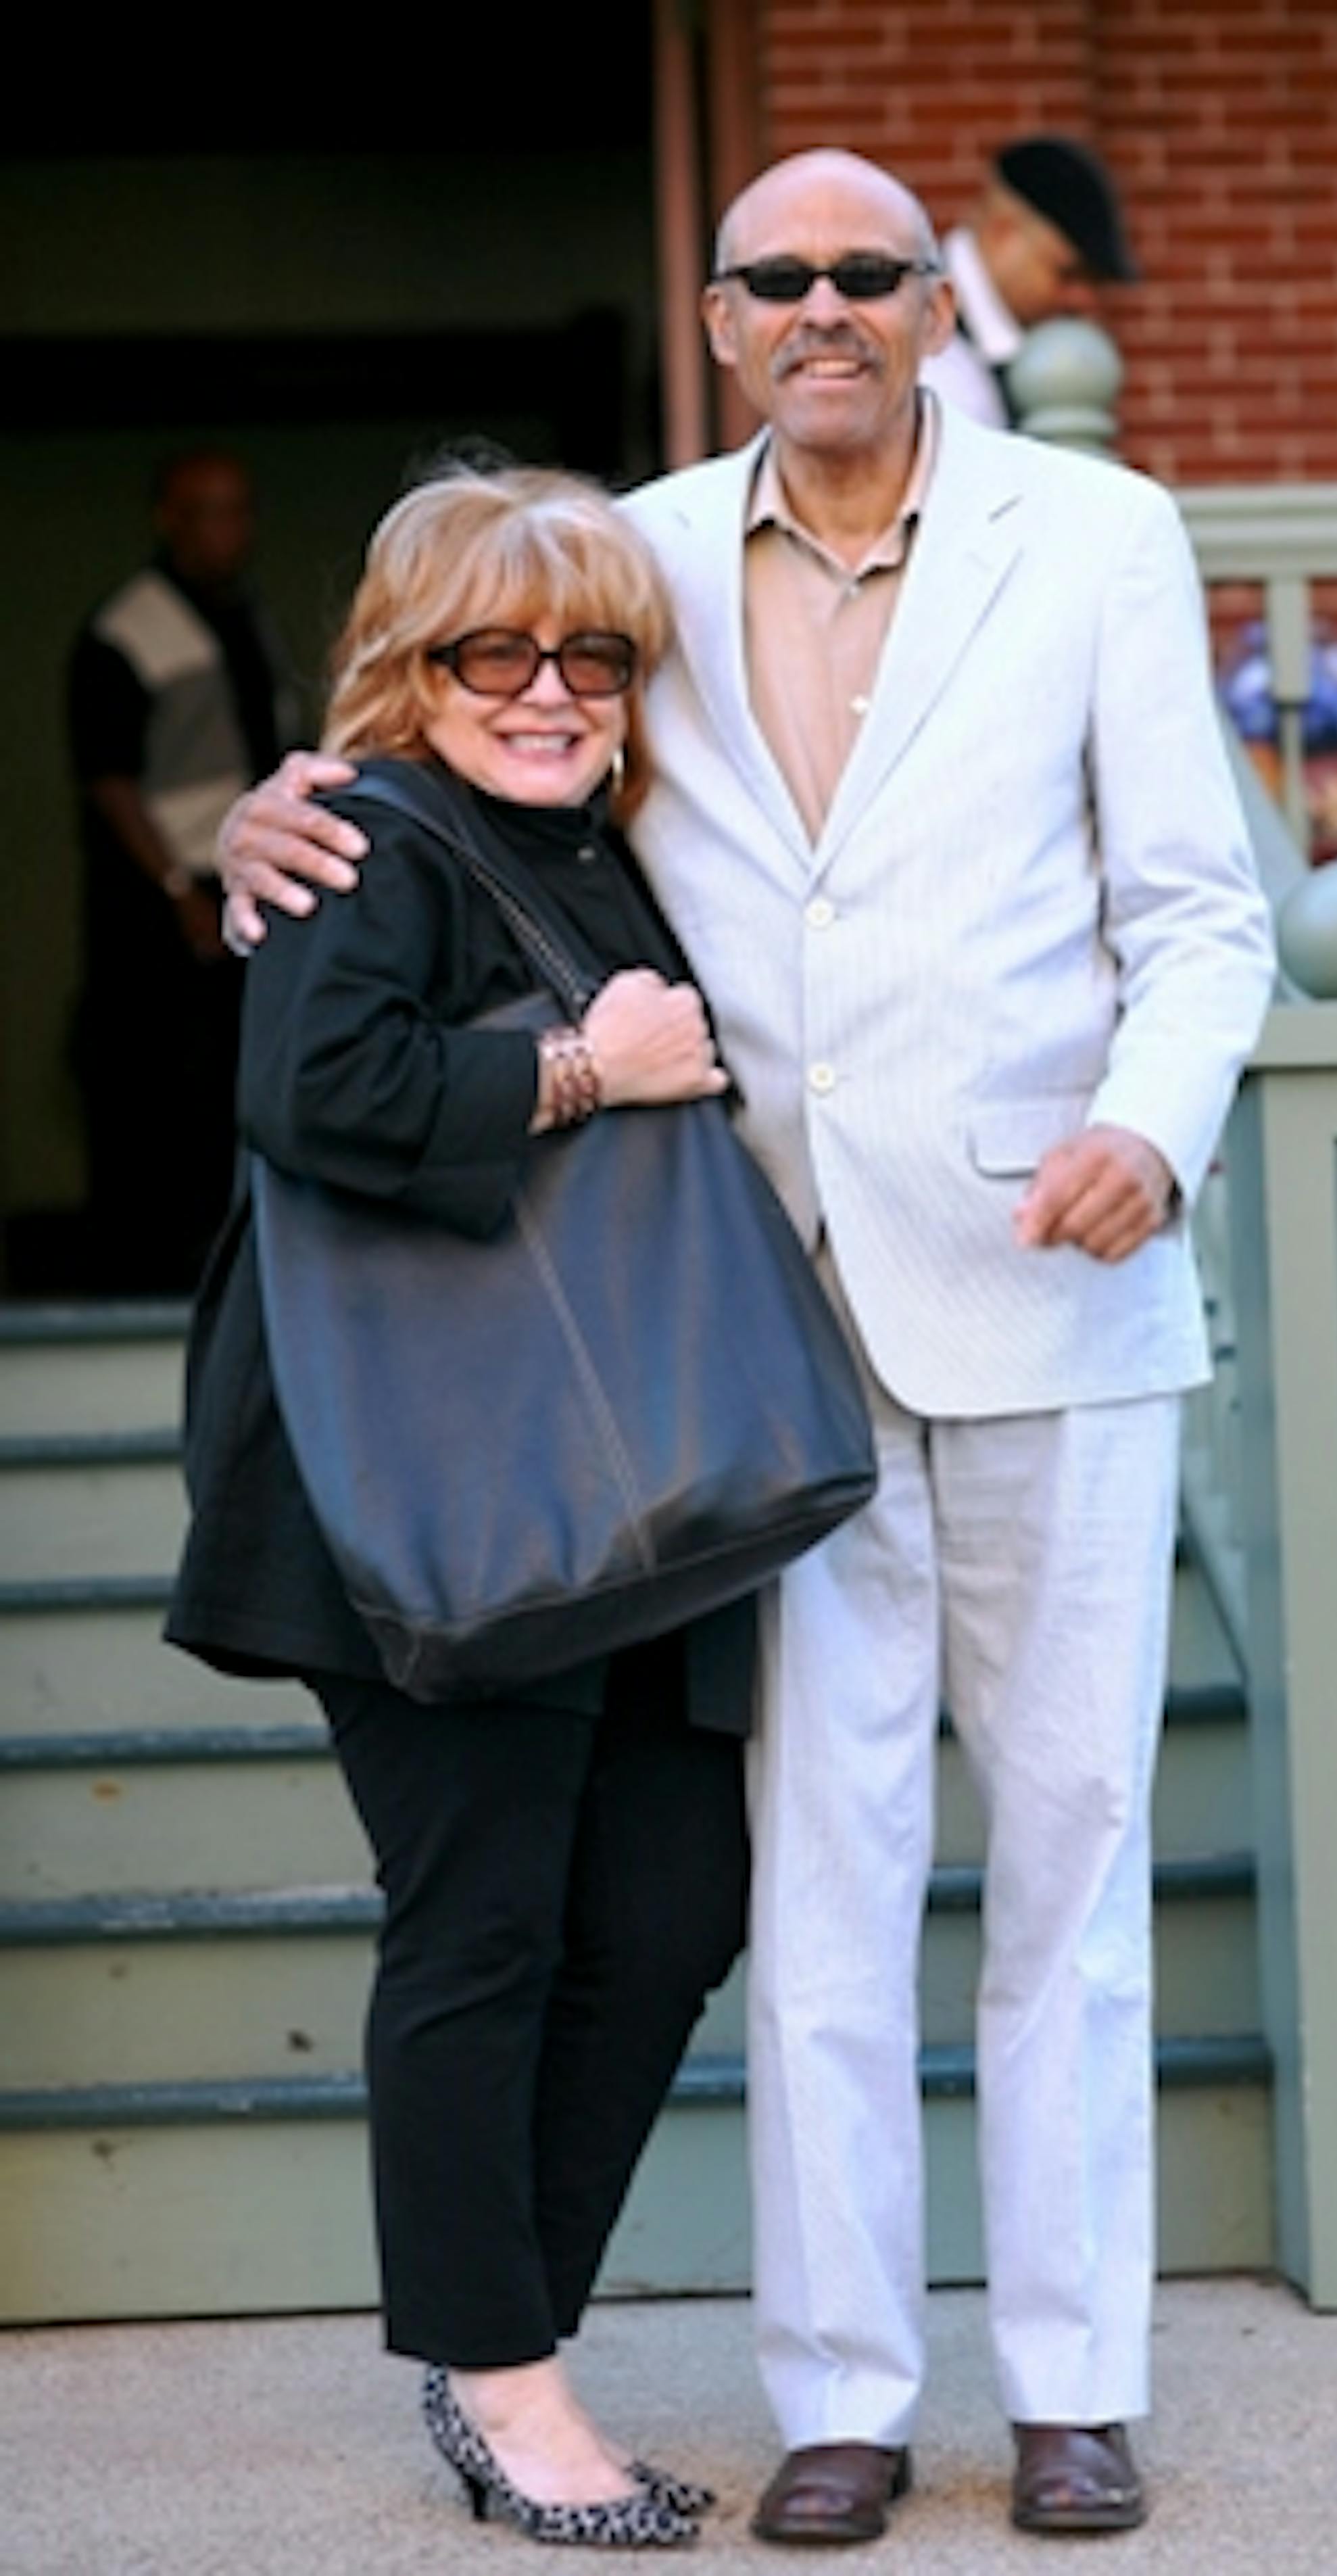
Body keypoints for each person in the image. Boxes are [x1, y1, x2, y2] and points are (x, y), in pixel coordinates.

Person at [215, 149, 1276, 2544]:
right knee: (811, 1882)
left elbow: (1204, 910)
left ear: (935, 306)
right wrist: (273, 818)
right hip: (738, 1332)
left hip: (1053, 1273)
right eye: (775, 275)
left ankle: (1077, 2384)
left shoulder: (1100, 537)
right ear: (716, 319)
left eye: (866, 272)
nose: (824, 306)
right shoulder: (642, 561)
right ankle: (844, 2400)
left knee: (1075, 1865)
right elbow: (456, 739)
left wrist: (1152, 1118)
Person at [166, 464, 754, 2549]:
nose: (549, 688)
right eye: (495, 649)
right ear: (410, 667)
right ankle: (508, 2384)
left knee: (673, 1909)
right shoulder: (371, 833)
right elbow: (312, 1089)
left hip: (619, 1468)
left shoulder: (609, 848)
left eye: (592, 652)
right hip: (425, 1478)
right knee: (485, 1920)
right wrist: (585, 1069)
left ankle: (494, 2328)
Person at [68, 448, 300, 1293]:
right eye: (206, 511)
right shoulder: (128, 630)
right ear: (168, 519)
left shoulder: (248, 616)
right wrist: (175, 889)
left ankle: (234, 1259)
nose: (227, 530)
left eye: (239, 510)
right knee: (165, 1084)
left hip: (251, 884)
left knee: (241, 1075)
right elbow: (109, 777)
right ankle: (155, 1272)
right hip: (173, 895)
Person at [920, 132, 1137, 428]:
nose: (1083, 300)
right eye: (1068, 274)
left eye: (1095, 281)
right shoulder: (923, 342)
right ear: (1003, 234)